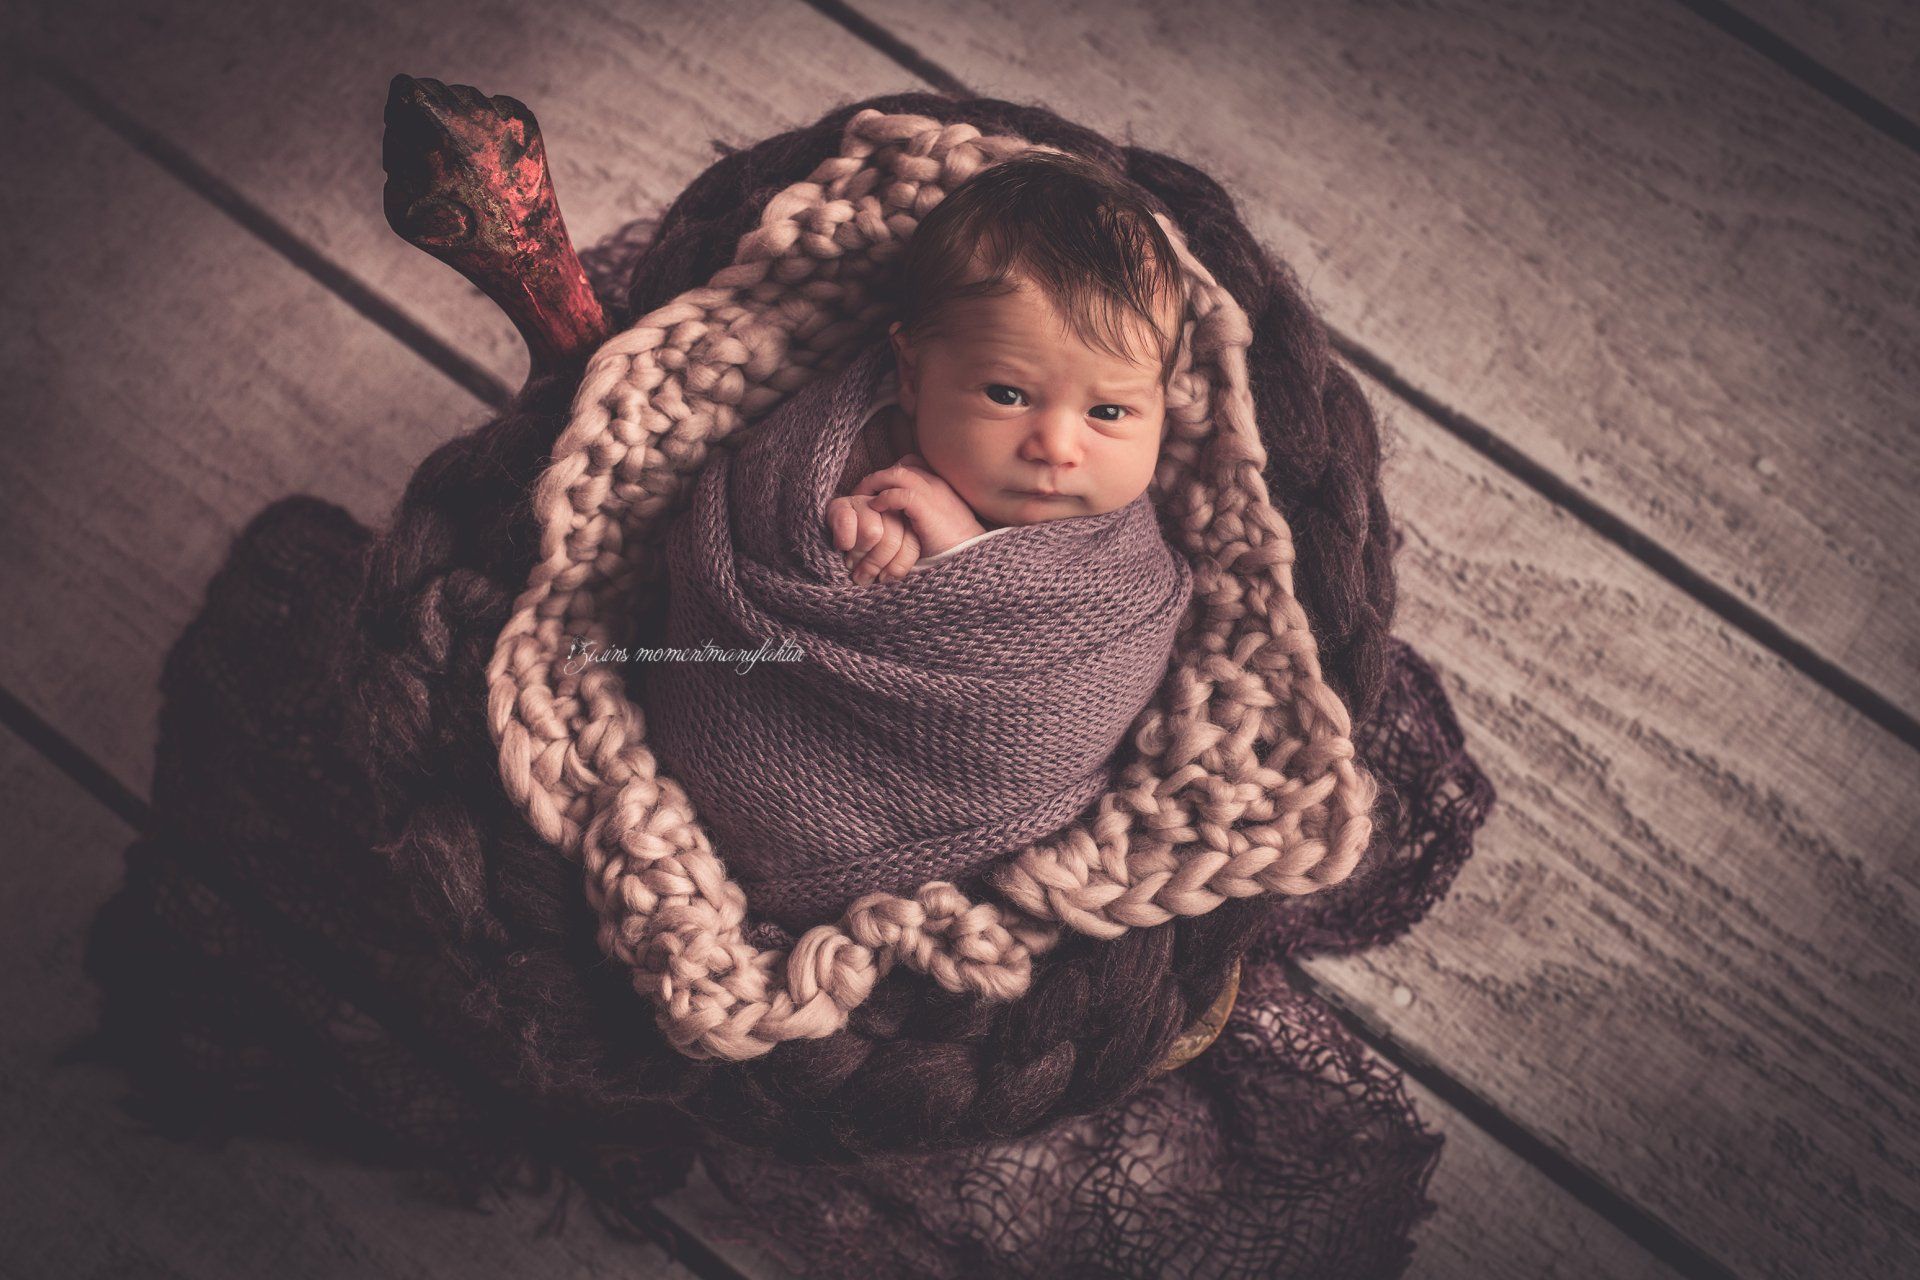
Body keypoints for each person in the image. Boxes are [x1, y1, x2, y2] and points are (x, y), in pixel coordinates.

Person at [826, 148, 1188, 584]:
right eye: (1006, 395)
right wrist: (847, 535)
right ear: (912, 375)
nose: (1055, 449)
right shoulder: (847, 451)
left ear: (1161, 410)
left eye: (1107, 412)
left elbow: (1107, 649)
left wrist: (960, 552)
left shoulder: (1129, 562)